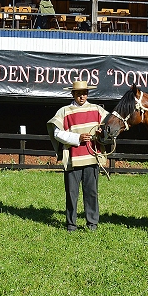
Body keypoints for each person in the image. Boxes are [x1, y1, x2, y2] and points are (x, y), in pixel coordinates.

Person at [47, 80, 108, 232]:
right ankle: (71, 224)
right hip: (73, 160)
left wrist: (103, 133)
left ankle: (92, 223)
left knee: (91, 192)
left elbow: (109, 127)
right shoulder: (64, 111)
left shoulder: (97, 109)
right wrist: (77, 138)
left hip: (91, 157)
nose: (82, 96)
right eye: (79, 93)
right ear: (73, 94)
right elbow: (57, 133)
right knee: (72, 193)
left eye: (85, 93)